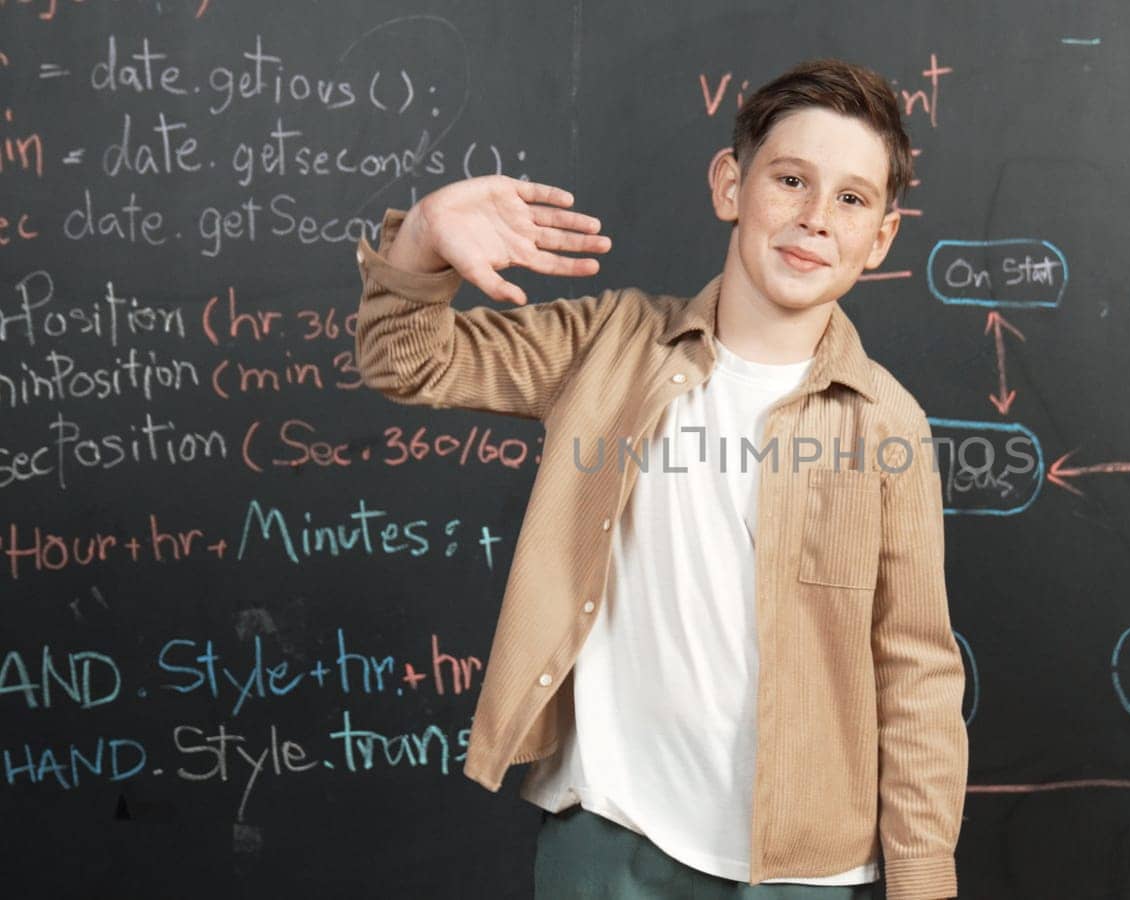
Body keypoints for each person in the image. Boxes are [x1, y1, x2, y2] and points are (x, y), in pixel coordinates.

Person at [352, 57, 966, 900]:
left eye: (852, 199)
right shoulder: (608, 345)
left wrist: (925, 880)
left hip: (806, 867)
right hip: (611, 837)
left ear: (881, 237)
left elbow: (914, 670)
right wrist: (422, 239)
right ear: (730, 184)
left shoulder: (888, 424)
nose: (816, 219)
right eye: (790, 179)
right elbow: (407, 361)